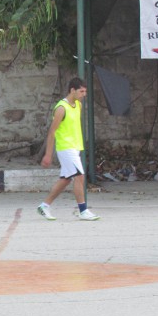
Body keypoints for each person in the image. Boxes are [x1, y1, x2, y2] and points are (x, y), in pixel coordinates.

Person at [38, 77, 100, 221]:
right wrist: (48, 154)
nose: (84, 94)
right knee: (79, 176)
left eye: (85, 91)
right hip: (66, 148)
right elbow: (52, 132)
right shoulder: (61, 108)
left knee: (65, 180)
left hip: (75, 147)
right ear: (72, 90)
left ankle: (44, 206)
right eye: (81, 91)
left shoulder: (78, 105)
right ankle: (83, 211)